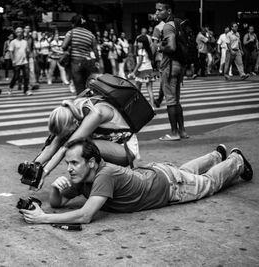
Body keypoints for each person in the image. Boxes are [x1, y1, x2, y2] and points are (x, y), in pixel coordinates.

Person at [20, 138, 253, 225]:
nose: (68, 168)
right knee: (185, 171)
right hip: (157, 173)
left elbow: (85, 215)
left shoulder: (104, 175)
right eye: (67, 163)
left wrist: (44, 218)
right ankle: (215, 156)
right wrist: (54, 188)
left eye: (73, 163)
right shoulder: (82, 176)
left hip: (171, 186)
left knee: (208, 184)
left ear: (91, 162)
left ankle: (236, 160)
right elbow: (59, 203)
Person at [32, 95, 140, 190]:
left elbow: (65, 148)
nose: (66, 135)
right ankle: (91, 182)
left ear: (74, 122)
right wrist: (33, 168)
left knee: (79, 146)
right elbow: (51, 147)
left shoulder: (95, 114)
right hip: (107, 143)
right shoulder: (69, 112)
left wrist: (44, 173)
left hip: (125, 150)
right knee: (75, 144)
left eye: (66, 132)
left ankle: (100, 182)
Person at [155, 0, 188, 141]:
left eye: (160, 10)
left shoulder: (168, 26)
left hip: (169, 66)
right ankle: (182, 131)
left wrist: (159, 47)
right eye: (156, 10)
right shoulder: (177, 23)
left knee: (170, 101)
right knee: (176, 100)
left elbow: (172, 47)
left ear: (168, 11)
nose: (157, 12)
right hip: (179, 65)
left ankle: (174, 133)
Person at [62, 15, 100, 95]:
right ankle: (88, 104)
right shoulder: (90, 34)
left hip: (76, 62)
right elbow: (95, 50)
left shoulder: (71, 32)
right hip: (88, 63)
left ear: (74, 23)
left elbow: (64, 46)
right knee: (87, 86)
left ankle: (80, 104)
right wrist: (97, 61)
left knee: (79, 87)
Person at [129, 35, 156, 109]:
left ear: (144, 43)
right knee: (150, 89)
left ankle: (137, 106)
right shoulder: (149, 50)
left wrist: (133, 72)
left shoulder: (140, 51)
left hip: (142, 71)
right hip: (149, 70)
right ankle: (152, 107)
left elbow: (139, 63)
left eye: (140, 43)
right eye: (138, 43)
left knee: (137, 89)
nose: (138, 44)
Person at [8, 27, 30, 96]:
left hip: (24, 61)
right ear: (15, 33)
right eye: (18, 32)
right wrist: (13, 60)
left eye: (20, 31)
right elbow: (11, 52)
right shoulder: (13, 42)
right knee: (16, 76)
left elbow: (27, 51)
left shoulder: (25, 42)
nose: (19, 33)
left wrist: (27, 56)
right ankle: (10, 87)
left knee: (26, 76)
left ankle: (26, 90)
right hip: (17, 62)